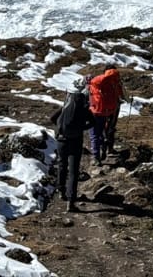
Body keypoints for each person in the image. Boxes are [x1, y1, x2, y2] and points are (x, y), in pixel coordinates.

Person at [50, 76, 93, 212]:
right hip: (76, 141)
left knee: (62, 165)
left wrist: (59, 128)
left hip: (62, 140)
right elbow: (93, 123)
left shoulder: (66, 106)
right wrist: (81, 128)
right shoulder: (85, 109)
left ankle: (61, 191)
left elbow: (52, 118)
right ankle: (71, 201)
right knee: (74, 171)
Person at [88, 67, 126, 163]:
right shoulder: (115, 82)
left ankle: (96, 157)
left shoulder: (98, 81)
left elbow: (90, 85)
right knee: (108, 128)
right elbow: (123, 96)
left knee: (95, 134)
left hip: (96, 111)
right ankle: (108, 146)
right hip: (109, 111)